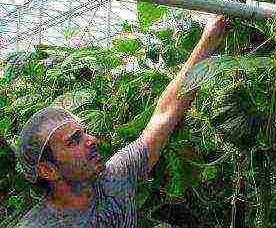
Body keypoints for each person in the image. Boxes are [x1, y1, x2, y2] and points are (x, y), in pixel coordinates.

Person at [14, 15, 228, 227]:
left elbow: (166, 114)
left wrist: (208, 40)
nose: (92, 140)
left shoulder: (115, 177)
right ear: (48, 170)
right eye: (73, 141)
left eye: (85, 132)